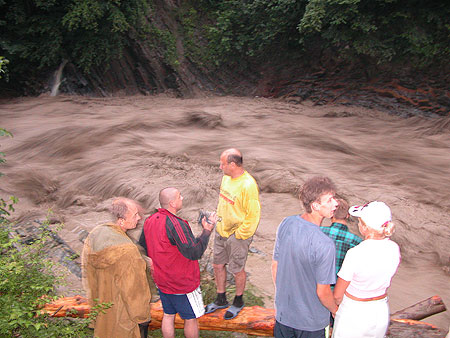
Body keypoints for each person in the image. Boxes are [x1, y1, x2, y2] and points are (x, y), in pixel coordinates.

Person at [139, 187, 217, 338]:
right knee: (191, 318)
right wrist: (207, 231)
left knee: (168, 315)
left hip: (161, 280)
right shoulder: (176, 224)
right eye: (180, 197)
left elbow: (143, 245)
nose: (182, 199)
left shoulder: (149, 220)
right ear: (172, 203)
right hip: (182, 283)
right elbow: (194, 252)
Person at [272, 176, 339, 338]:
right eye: (330, 200)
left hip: (283, 317)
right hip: (311, 324)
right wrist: (336, 311)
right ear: (315, 205)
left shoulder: (286, 223)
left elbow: (275, 266)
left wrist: (285, 300)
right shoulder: (325, 244)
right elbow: (322, 292)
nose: (336, 203)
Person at [82, 197, 151, 338]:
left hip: (102, 310)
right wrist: (142, 318)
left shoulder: (95, 234)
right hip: (123, 316)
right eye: (135, 215)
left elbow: (88, 275)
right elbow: (134, 290)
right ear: (121, 221)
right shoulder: (128, 251)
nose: (139, 218)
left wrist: (94, 305)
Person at [205, 148, 261, 320]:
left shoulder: (248, 185)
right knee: (217, 265)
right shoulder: (226, 178)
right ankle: (221, 298)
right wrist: (216, 220)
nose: (220, 167)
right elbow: (224, 203)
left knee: (237, 269)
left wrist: (240, 235)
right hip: (221, 230)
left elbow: (253, 215)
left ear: (233, 164)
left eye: (223, 164)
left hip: (238, 235)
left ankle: (238, 301)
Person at [332, 201, 401, 338]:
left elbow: (338, 295)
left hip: (354, 312)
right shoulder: (394, 249)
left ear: (365, 228)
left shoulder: (356, 253)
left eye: (360, 222)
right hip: (380, 310)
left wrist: (334, 310)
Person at [320, 196, 363, 280]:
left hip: (317, 284)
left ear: (331, 214)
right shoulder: (357, 241)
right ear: (347, 215)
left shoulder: (318, 233)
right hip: (340, 287)